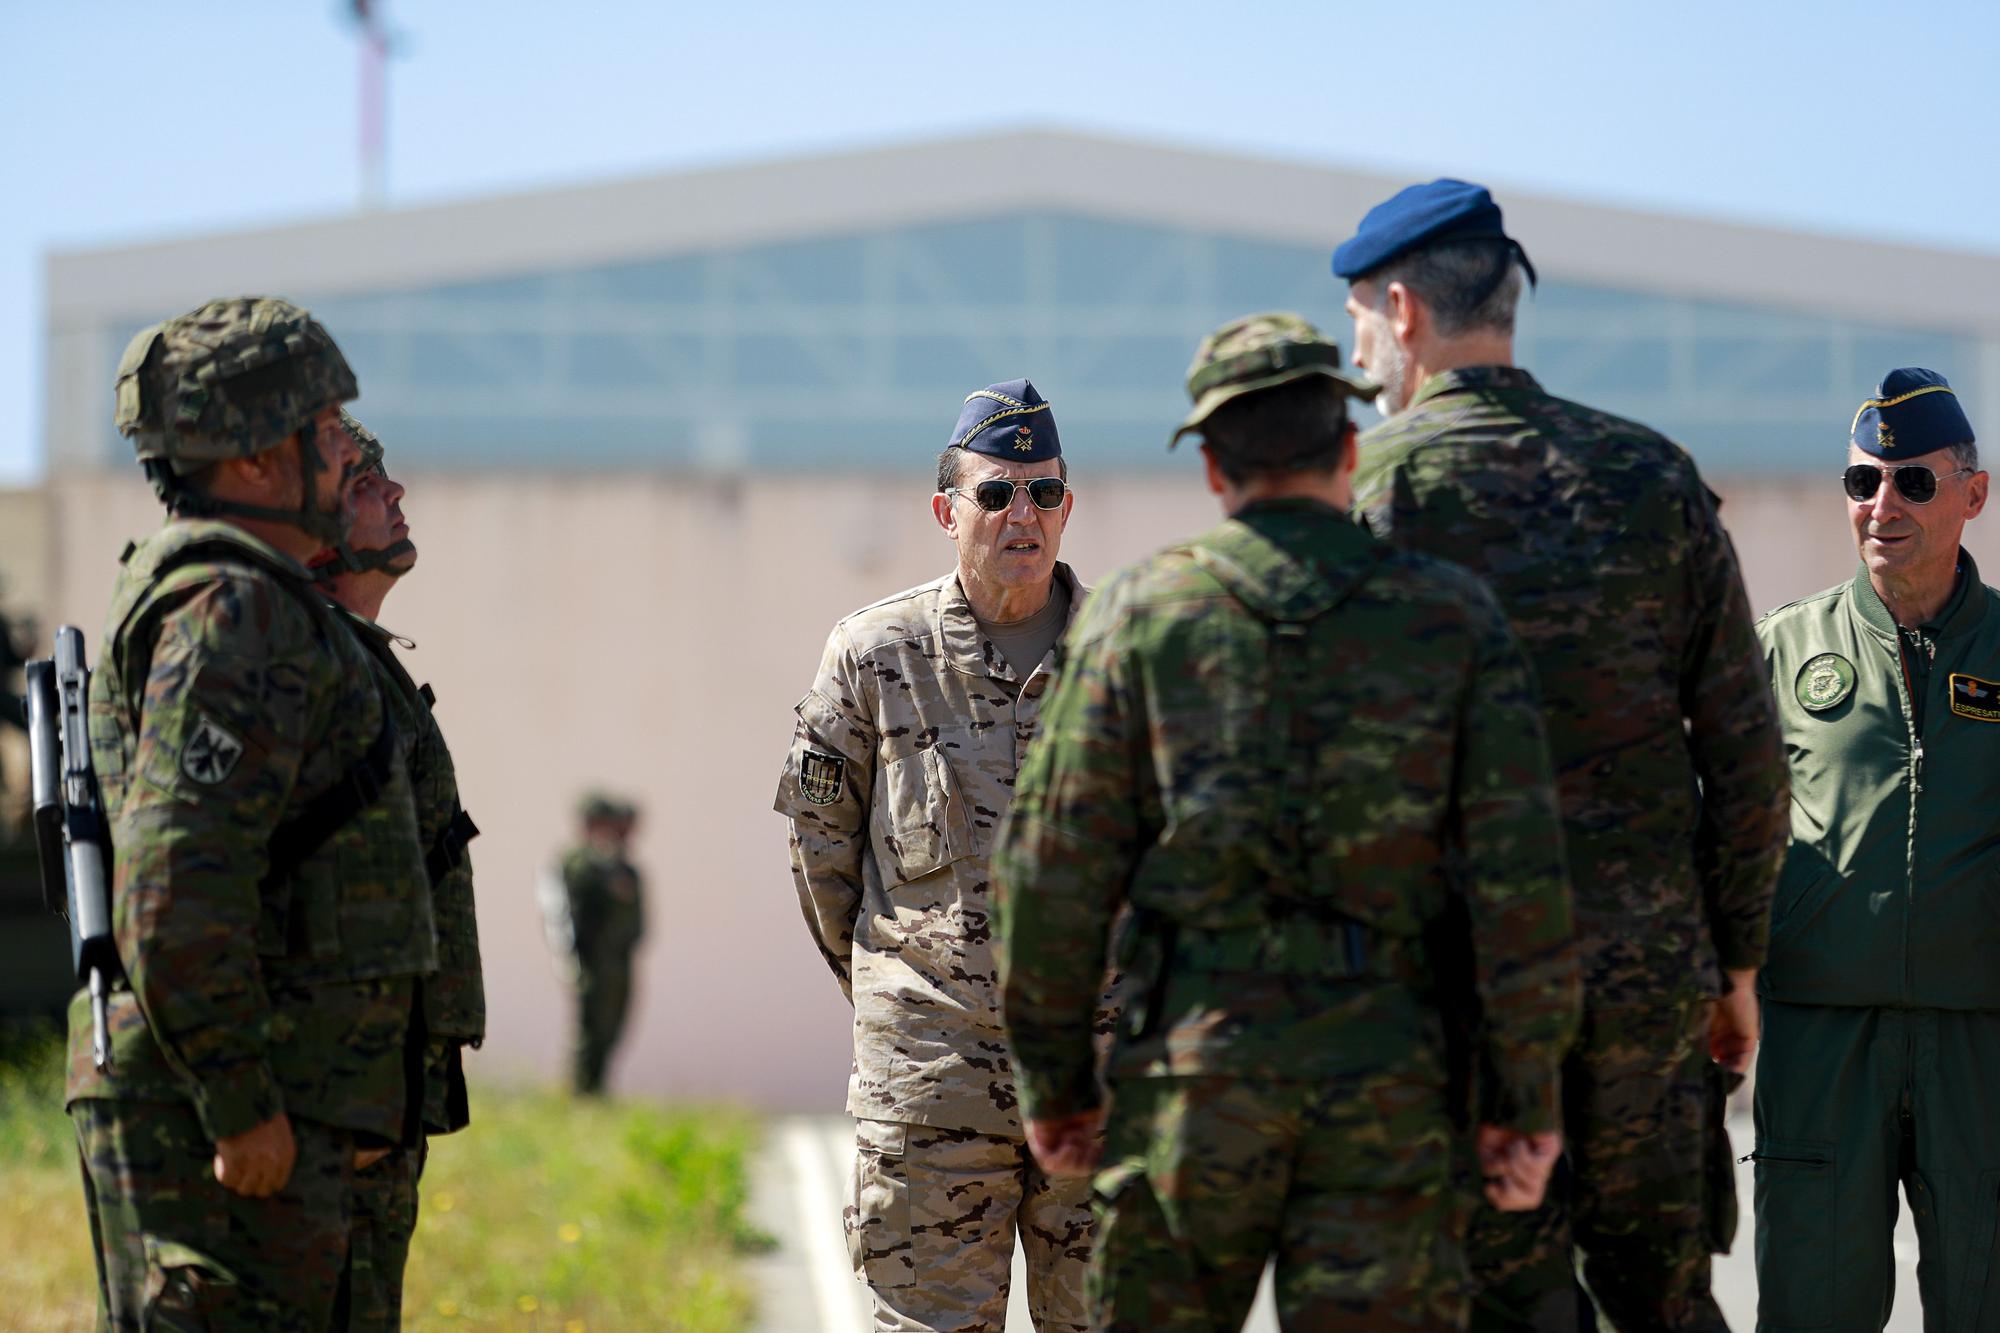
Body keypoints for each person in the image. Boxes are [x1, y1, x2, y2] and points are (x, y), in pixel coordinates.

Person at [992, 313, 1580, 1332]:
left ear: (1214, 466)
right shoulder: (1447, 619)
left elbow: (1049, 874)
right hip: (1388, 1083)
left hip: (1192, 1079)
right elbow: (1519, 880)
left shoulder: (1140, 616)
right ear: (1349, 452)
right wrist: (1521, 1099)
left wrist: (1054, 1087)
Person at [1335, 180, 1791, 1331]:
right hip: (1648, 983)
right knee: (1664, 1295)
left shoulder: (1372, 495)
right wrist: (1731, 964)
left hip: (1464, 1000)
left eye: (1354, 319)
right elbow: (1743, 752)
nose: (1357, 349)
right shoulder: (1652, 478)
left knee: (1494, 1297)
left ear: (1399, 310)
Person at [69, 297, 436, 1331]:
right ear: (259, 465)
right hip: (222, 1125)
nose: (345, 456)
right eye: (324, 436)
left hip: (275, 1103)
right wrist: (238, 1098)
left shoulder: (255, 601)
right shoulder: (233, 611)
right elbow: (174, 883)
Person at [773, 379, 1096, 1333]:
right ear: (945, 508)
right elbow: (818, 859)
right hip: (931, 1090)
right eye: (996, 493)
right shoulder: (875, 656)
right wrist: (900, 992)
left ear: (1069, 507)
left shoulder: (1133, 651)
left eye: (1044, 491)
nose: (1021, 514)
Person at [1753, 369, 2000, 1331]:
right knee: (1813, 1306)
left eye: (1913, 483)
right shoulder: (1781, 648)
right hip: (1823, 1042)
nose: (1882, 506)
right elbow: (1722, 835)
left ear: (1973, 494)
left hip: (1982, 1042)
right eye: (1863, 483)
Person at [310, 412, 485, 1331]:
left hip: (382, 1095)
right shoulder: (312, 668)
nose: (396, 494)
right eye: (367, 485)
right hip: (347, 1102)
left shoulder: (357, 662)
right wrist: (360, 1095)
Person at [559, 792, 645, 1095]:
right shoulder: (583, 865)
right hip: (594, 962)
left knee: (612, 1029)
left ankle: (596, 1090)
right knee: (590, 1032)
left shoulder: (625, 869)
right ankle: (582, 1093)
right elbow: (575, 912)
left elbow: (639, 925)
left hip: (618, 963)